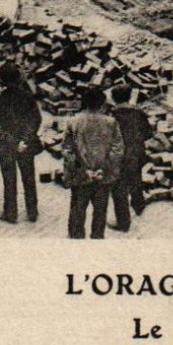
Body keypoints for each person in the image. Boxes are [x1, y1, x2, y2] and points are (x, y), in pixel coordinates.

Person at [64, 87, 122, 239]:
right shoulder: (111, 122)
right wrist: (103, 169)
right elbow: (117, 150)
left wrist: (84, 170)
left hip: (80, 176)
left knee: (77, 211)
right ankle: (96, 240)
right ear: (102, 104)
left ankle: (76, 241)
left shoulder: (73, 122)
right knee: (100, 212)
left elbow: (67, 151)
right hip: (103, 178)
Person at [0, 55, 42, 224]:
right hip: (26, 146)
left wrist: (13, 142)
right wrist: (24, 140)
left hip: (6, 147)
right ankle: (32, 212)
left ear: (1, 82)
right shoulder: (28, 97)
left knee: (9, 180)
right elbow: (35, 119)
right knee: (29, 178)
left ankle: (10, 213)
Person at [110, 87, 152, 232]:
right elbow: (148, 133)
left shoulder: (110, 117)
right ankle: (139, 205)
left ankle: (123, 223)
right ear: (129, 97)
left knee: (119, 190)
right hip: (137, 154)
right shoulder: (138, 113)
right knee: (136, 178)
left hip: (119, 158)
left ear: (113, 99)